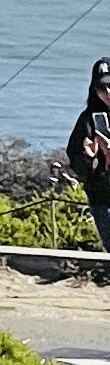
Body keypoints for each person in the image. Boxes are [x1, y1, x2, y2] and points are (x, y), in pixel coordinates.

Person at [73, 58, 110, 255]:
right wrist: (88, 156)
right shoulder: (87, 119)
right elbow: (76, 161)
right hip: (102, 197)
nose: (108, 94)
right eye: (102, 88)